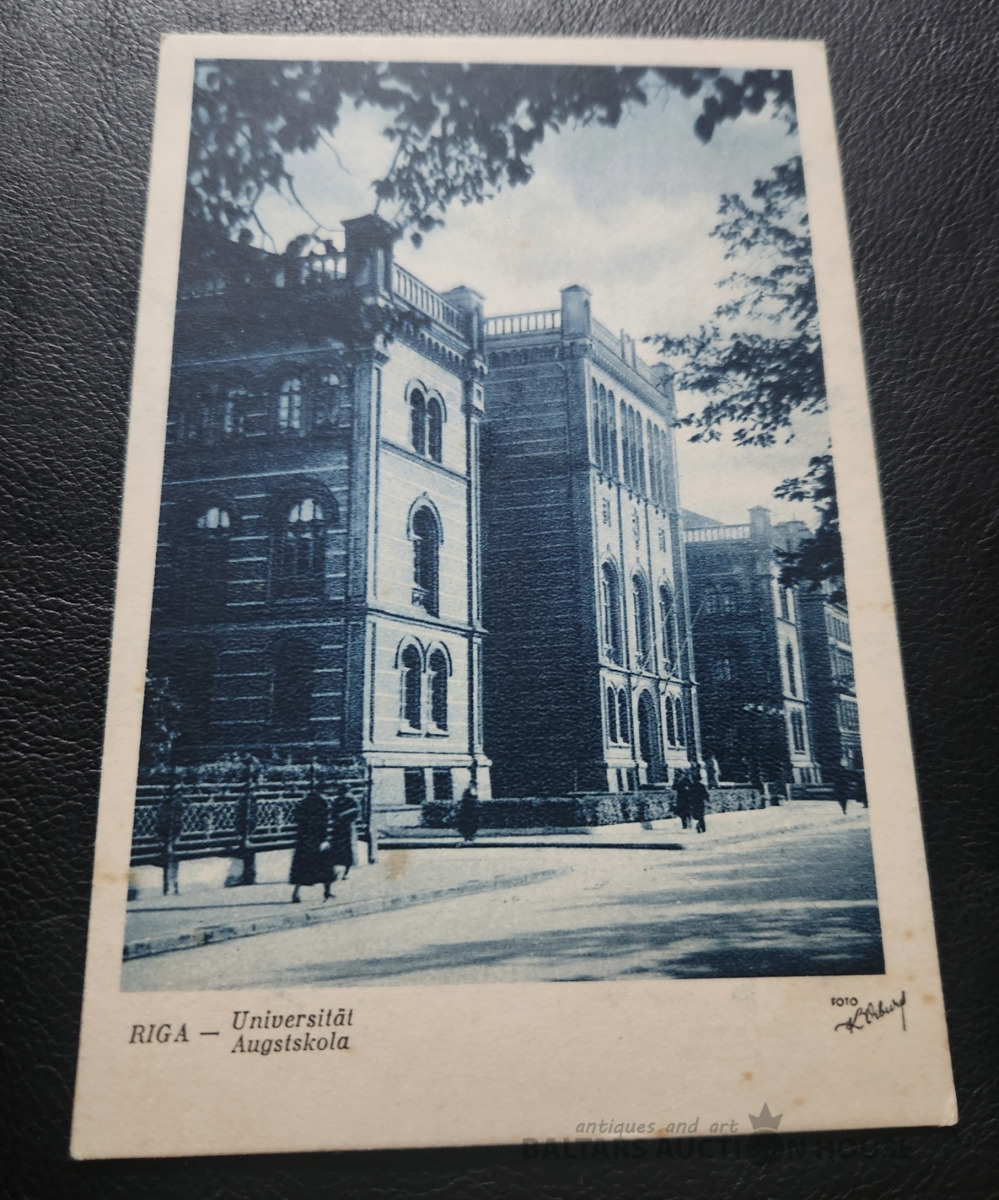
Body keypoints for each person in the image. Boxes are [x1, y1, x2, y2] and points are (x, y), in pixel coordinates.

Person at [290, 789, 335, 903]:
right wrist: (325, 839)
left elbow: (297, 820)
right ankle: (327, 891)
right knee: (326, 867)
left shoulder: (303, 804)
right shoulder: (323, 804)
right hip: (318, 840)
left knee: (302, 867)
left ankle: (296, 893)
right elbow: (323, 824)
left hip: (304, 840)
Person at [329, 784, 360, 880]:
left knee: (348, 849)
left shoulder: (352, 800)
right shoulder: (337, 800)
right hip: (338, 827)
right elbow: (332, 813)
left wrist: (345, 814)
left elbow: (357, 811)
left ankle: (346, 872)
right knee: (336, 849)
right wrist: (336, 818)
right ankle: (335, 871)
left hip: (348, 827)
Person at [689, 764, 709, 834]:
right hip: (700, 802)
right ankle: (702, 827)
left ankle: (700, 826)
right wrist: (706, 799)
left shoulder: (692, 786)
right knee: (700, 815)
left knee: (697, 815)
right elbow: (705, 794)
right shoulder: (701, 786)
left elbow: (689, 794)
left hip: (695, 802)